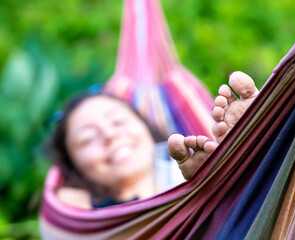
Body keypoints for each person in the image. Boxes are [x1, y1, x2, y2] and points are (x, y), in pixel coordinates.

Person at [49, 71, 258, 209]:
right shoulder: (80, 210)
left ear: (145, 127)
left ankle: (245, 149)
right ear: (73, 165)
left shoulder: (177, 166)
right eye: (88, 138)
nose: (110, 135)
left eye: (118, 121)